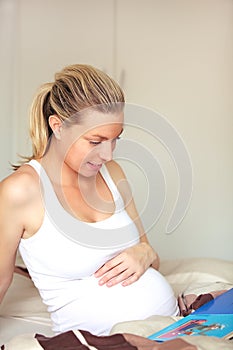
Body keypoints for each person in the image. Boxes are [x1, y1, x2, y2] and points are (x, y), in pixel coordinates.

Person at [0, 64, 178, 336]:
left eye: (115, 139)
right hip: (101, 341)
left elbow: (151, 257)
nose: (108, 154)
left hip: (171, 328)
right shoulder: (19, 192)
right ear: (57, 126)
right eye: (95, 141)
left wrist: (146, 253)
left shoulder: (113, 174)